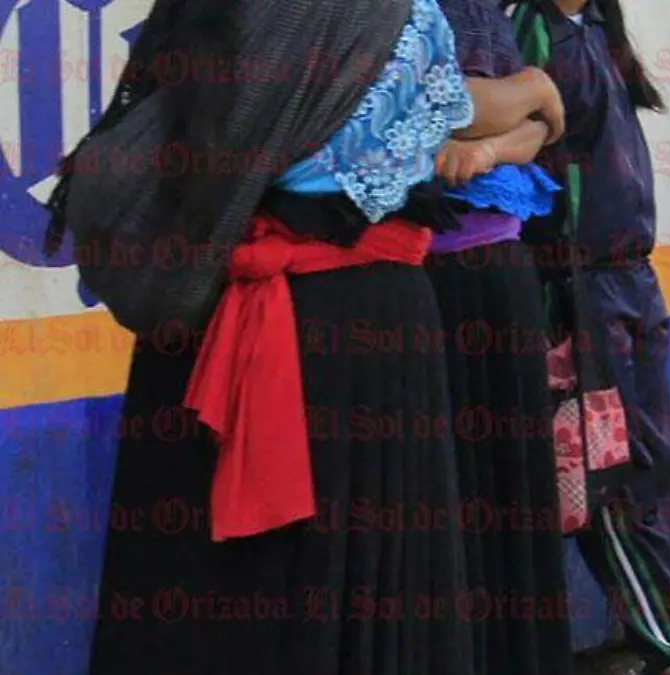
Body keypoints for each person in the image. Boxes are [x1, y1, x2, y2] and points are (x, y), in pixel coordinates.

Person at [41, 0, 563, 671]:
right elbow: (452, 116)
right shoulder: (386, 18)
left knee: (195, 596)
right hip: (348, 332)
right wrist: (535, 91)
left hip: (196, 325)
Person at [515, 0, 670, 672]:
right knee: (616, 485)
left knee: (656, 477)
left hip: (631, 284)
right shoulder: (530, 27)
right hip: (581, 295)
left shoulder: (594, 29)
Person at [425, 0, 574, 672]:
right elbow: (442, 108)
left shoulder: (480, 10)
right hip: (425, 281)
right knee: (451, 499)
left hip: (496, 279)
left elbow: (542, 126)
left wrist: (494, 140)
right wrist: (531, 89)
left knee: (510, 494)